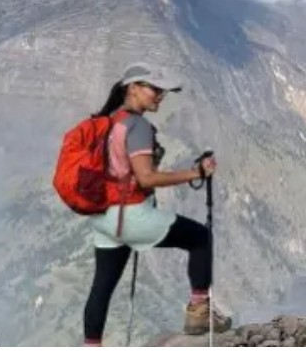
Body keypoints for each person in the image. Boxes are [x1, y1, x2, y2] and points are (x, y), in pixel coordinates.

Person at [82, 63, 232, 347]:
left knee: (102, 286)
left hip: (103, 217)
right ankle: (199, 311)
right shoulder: (137, 125)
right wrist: (196, 173)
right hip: (131, 216)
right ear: (133, 88)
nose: (160, 95)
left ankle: (91, 347)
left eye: (162, 91)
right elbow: (146, 177)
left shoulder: (108, 121)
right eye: (154, 88)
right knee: (200, 237)